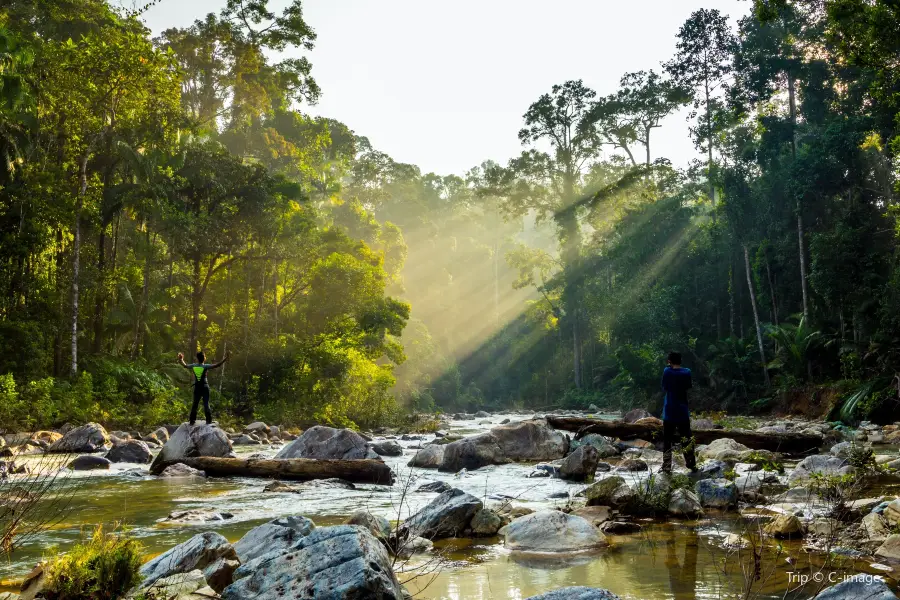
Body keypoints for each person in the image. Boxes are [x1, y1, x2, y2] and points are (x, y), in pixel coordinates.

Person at [660, 351, 697, 473]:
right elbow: (688, 386)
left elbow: (664, 387)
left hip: (669, 410)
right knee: (686, 438)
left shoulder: (667, 371)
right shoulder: (687, 372)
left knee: (667, 440)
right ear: (680, 361)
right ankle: (691, 464)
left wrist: (668, 367)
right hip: (682, 410)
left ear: (669, 361)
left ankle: (666, 466)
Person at [178, 350, 230, 426]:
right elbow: (217, 365)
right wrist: (225, 358)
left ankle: (192, 421)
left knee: (195, 404)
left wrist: (181, 359)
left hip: (197, 387)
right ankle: (208, 420)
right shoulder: (205, 366)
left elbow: (185, 365)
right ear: (204, 358)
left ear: (197, 358)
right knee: (206, 403)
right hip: (205, 387)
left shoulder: (194, 365)